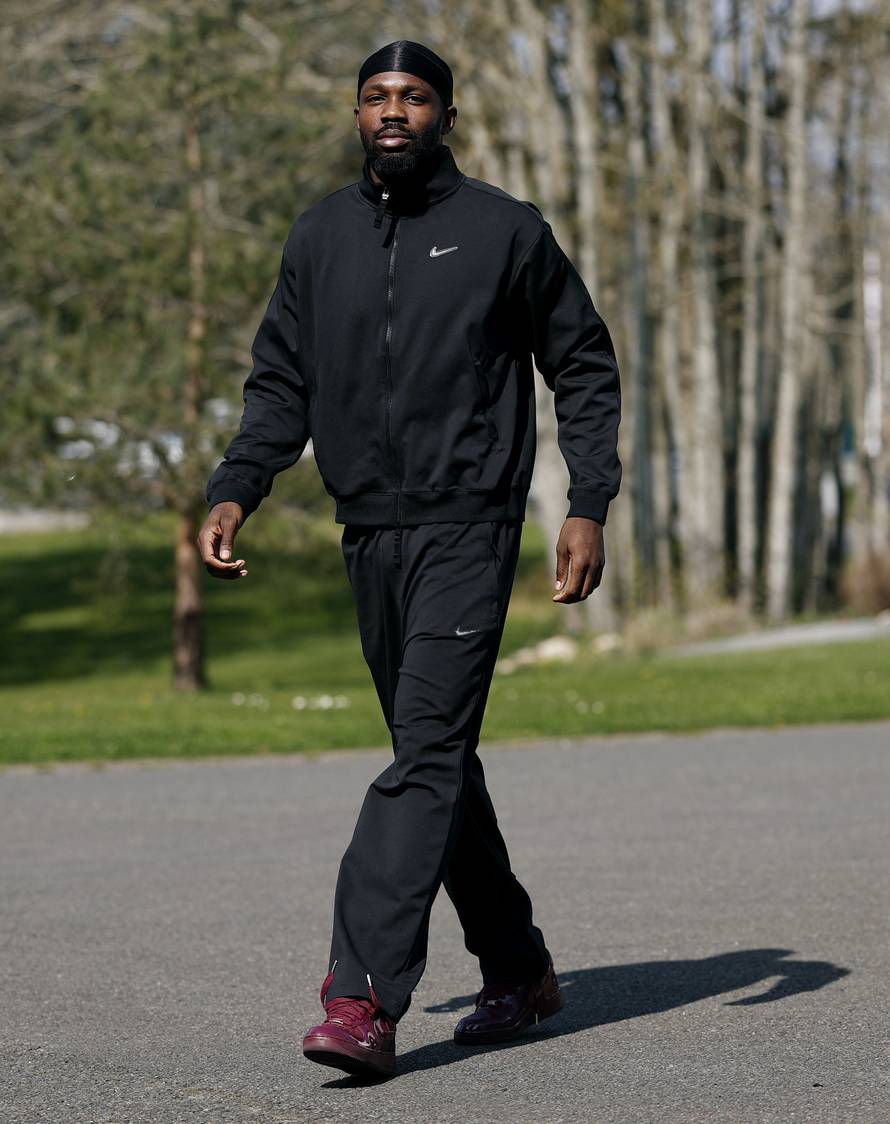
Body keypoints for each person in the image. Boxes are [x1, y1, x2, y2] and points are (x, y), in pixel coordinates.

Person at [198, 39, 622, 1079]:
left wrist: (586, 503)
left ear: (445, 115)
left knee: (422, 754)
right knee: (438, 757)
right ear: (357, 116)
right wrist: (236, 485)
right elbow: (279, 382)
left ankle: (361, 998)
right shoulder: (319, 237)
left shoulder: (504, 230)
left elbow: (581, 362)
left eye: (415, 96)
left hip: (469, 527)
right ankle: (517, 967)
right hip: (369, 532)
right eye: (377, 96)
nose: (394, 110)